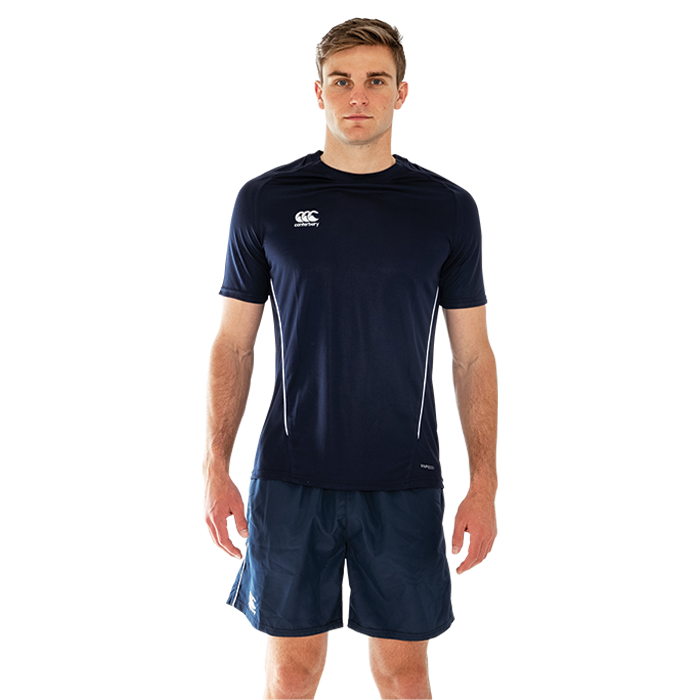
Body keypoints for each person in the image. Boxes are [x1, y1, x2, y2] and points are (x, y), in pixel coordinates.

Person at [202, 18, 497, 700]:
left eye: (375, 80)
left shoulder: (446, 209)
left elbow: (474, 358)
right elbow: (233, 343)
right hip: (290, 477)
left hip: (404, 479)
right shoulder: (267, 202)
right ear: (319, 92)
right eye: (341, 80)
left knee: (404, 676)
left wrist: (483, 483)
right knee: (292, 674)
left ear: (400, 94)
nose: (357, 95)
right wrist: (214, 464)